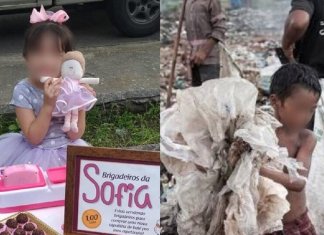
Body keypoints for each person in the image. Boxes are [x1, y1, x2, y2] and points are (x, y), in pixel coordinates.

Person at [0, 6, 95, 170]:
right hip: (32, 153)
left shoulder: (70, 87)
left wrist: (79, 103)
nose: (46, 61)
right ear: (26, 57)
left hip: (67, 149)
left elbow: (75, 135)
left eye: (55, 54)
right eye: (38, 53)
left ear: (67, 60)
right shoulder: (23, 90)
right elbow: (34, 138)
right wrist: (48, 105)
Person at [262, 64, 320, 235]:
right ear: (275, 101)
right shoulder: (259, 135)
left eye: (310, 110)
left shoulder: (305, 138)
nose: (305, 117)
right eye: (299, 108)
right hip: (265, 226)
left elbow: (299, 182)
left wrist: (257, 169)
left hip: (295, 223)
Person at [184, 0, 226, 87]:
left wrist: (204, 51)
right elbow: (189, 30)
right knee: (197, 95)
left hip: (210, 59)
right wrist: (186, 50)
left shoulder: (211, 1)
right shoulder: (188, 2)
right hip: (193, 60)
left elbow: (220, 28)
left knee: (209, 95)